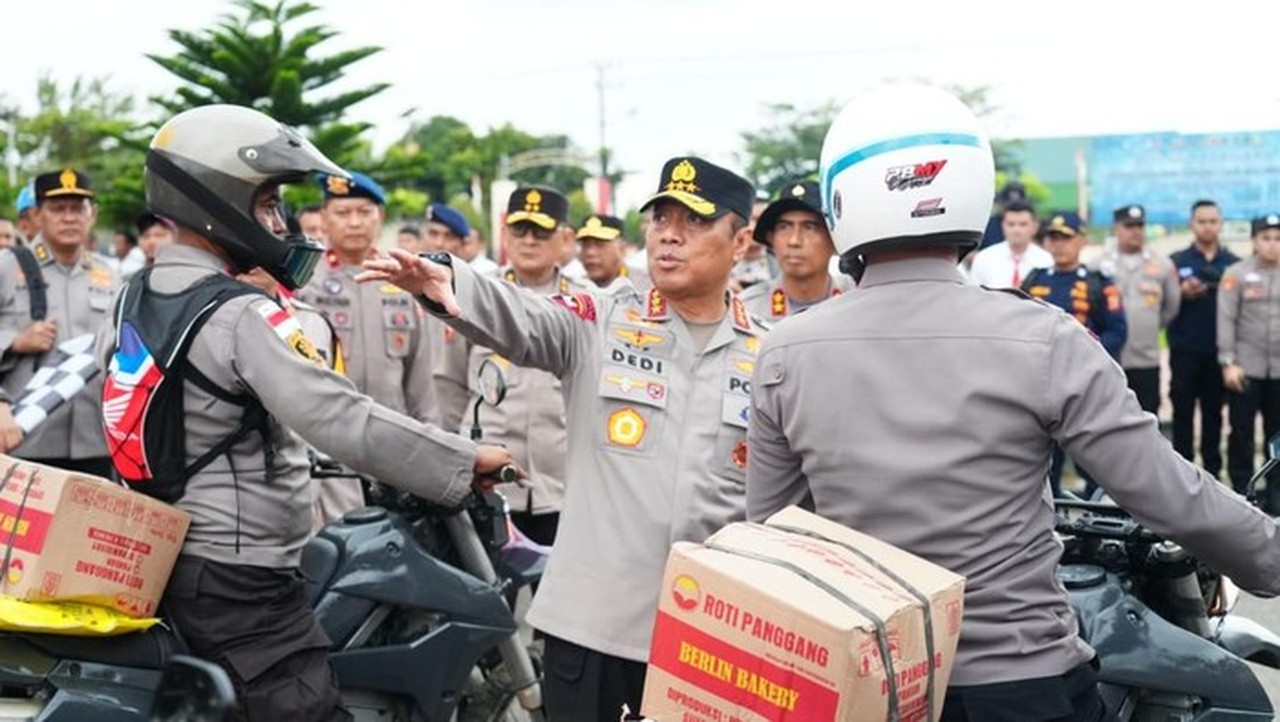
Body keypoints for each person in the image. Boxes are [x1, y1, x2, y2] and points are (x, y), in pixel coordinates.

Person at [746, 82, 1280, 722]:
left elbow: (776, 540)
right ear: (974, 187)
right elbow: (1168, 491)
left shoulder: (784, 352)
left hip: (874, 687)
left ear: (841, 200)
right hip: (1025, 681)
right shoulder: (1043, 336)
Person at [113, 104, 516, 720]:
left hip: (173, 558)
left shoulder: (135, 295)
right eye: (268, 203)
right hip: (244, 583)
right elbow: (339, 416)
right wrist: (463, 461)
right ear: (219, 198)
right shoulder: (241, 315)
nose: (280, 222)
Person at [360, 156, 765, 721]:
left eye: (694, 221)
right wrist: (451, 281)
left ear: (742, 239)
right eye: (660, 217)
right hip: (596, 631)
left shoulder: (769, 355)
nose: (669, 234)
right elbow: (523, 316)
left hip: (715, 642)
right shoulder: (600, 320)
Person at [434, 186, 584, 545]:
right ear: (504, 234)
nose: (529, 241)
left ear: (565, 238)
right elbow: (449, 384)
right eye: (520, 230)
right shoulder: (474, 295)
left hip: (562, 485)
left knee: (559, 595)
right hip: (490, 482)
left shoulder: (587, 303)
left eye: (541, 232)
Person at [294, 170, 440, 426]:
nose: (354, 223)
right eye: (342, 213)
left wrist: (430, 432)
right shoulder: (303, 280)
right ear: (325, 219)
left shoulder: (402, 278)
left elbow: (421, 378)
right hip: (326, 436)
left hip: (393, 432)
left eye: (364, 212)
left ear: (380, 217)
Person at [0, 168, 119, 477]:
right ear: (37, 215)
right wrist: (13, 341)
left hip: (96, 442)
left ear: (93, 214)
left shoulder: (109, 275)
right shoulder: (6, 267)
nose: (70, 217)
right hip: (23, 440)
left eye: (78, 208)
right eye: (58, 208)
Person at [236, 265, 350, 529]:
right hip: (244, 497)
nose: (255, 262)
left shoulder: (314, 322)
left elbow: (337, 411)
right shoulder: (210, 319)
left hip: (312, 486)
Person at [1022, 211, 1127, 497]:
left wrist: (1082, 358)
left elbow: (1117, 331)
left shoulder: (1098, 282)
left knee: (1092, 456)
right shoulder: (1034, 280)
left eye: (1066, 238)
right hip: (1041, 383)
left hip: (1084, 383)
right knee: (1045, 461)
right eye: (1053, 238)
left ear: (1081, 240)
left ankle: (1097, 519)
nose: (1059, 245)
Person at [1168, 199, 1239, 479]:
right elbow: (1162, 301)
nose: (1208, 227)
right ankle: (1181, 478)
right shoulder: (1176, 262)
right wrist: (1181, 293)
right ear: (1191, 224)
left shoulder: (1233, 264)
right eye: (1202, 221)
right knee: (1182, 415)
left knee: (1214, 417)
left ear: (1221, 224)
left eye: (1213, 221)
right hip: (1184, 350)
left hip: (1218, 352)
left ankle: (1213, 477)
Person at [1092, 204, 1180, 414]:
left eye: (1140, 225)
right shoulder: (1097, 265)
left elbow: (1171, 306)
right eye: (1129, 226)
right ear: (1116, 228)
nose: (1136, 231)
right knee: (1108, 416)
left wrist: (1150, 326)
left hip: (1145, 357)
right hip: (1109, 358)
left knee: (1148, 414)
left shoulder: (1162, 265)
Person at [1218, 214, 1280, 508]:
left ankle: (1277, 495)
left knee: (1277, 435)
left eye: (1278, 238)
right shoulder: (1236, 274)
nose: (1272, 245)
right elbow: (1226, 320)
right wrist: (1228, 361)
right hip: (1246, 369)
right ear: (1254, 241)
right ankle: (1242, 493)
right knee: (1241, 432)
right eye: (1266, 238)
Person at [741, 179, 852, 320]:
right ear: (771, 238)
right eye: (784, 227)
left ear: (834, 239)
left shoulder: (857, 302)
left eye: (809, 227)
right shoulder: (748, 310)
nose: (794, 241)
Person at [966, 200, 1051, 288]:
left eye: (1023, 224)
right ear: (1002, 225)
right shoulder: (984, 259)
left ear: (1035, 226)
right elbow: (973, 296)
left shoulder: (1046, 260)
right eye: (1011, 224)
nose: (1016, 230)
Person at [575, 213, 634, 293]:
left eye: (600, 244)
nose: (590, 252)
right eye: (585, 245)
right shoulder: (574, 291)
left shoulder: (646, 284)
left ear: (622, 248)